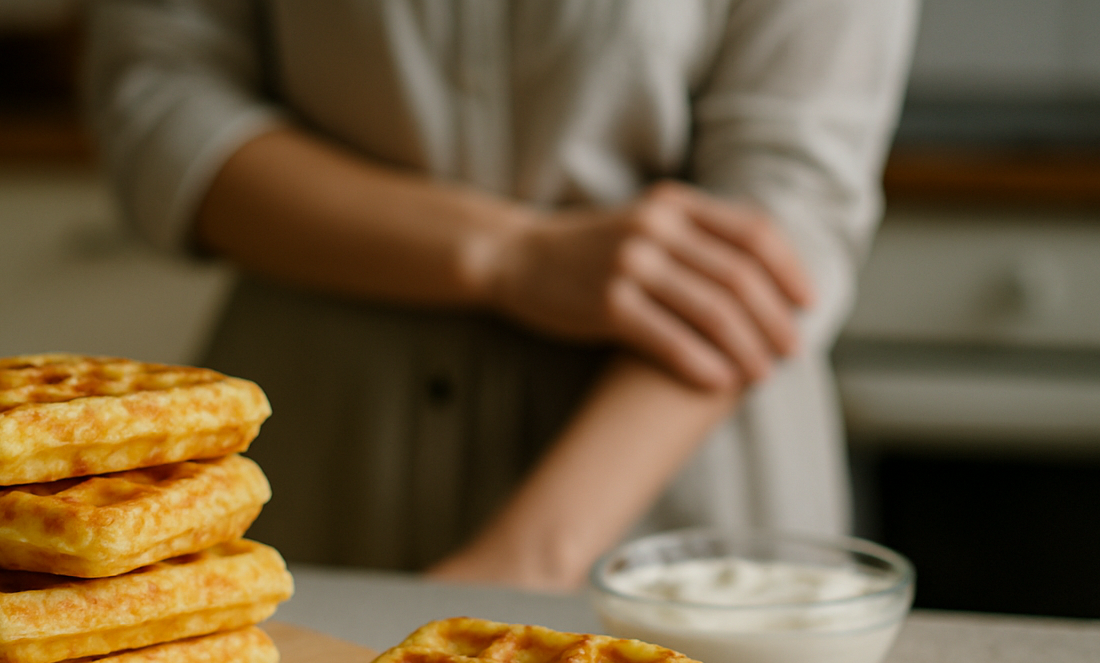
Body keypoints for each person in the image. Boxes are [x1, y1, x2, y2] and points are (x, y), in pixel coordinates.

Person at [86, 0, 917, 591]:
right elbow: (159, 108)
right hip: (316, 466)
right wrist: (508, 255)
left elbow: (781, 221)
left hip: (673, 506)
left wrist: (530, 556)